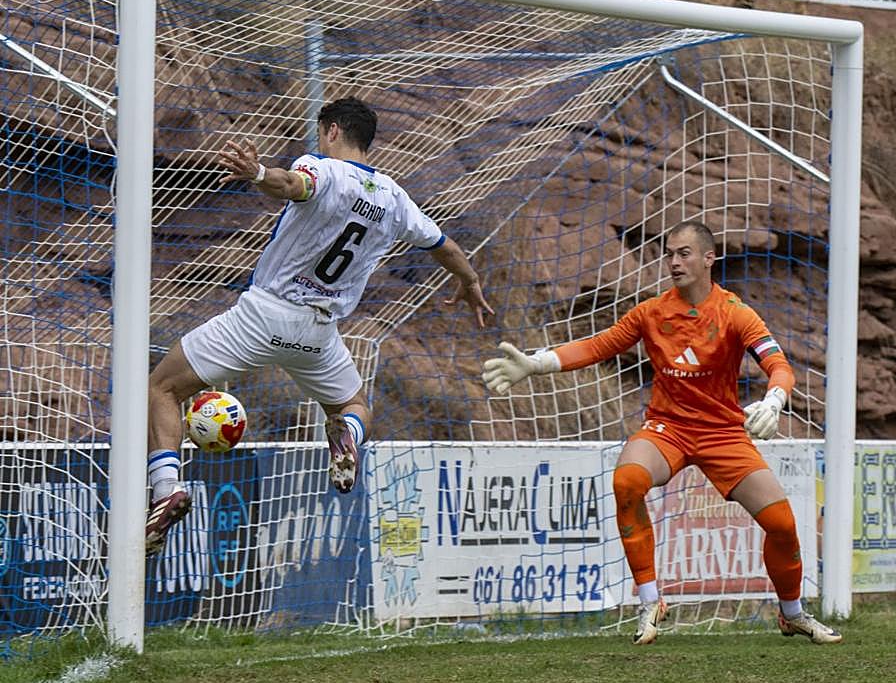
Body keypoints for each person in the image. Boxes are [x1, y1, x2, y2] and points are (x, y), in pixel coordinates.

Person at [144, 97, 493, 555]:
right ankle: (347, 434)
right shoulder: (394, 198)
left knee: (162, 388)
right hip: (319, 334)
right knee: (353, 404)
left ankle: (165, 488)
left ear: (330, 131)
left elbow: (293, 185)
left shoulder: (323, 169)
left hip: (263, 315)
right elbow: (444, 246)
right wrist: (468, 280)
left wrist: (256, 174)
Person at [481, 221, 841, 646]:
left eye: (684, 253)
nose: (673, 261)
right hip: (667, 428)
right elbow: (598, 346)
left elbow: (779, 365)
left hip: (723, 434)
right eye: (669, 253)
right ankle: (650, 600)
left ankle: (792, 613)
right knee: (626, 480)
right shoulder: (651, 312)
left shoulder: (735, 313)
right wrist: (537, 364)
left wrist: (775, 400)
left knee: (781, 523)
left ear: (709, 258)